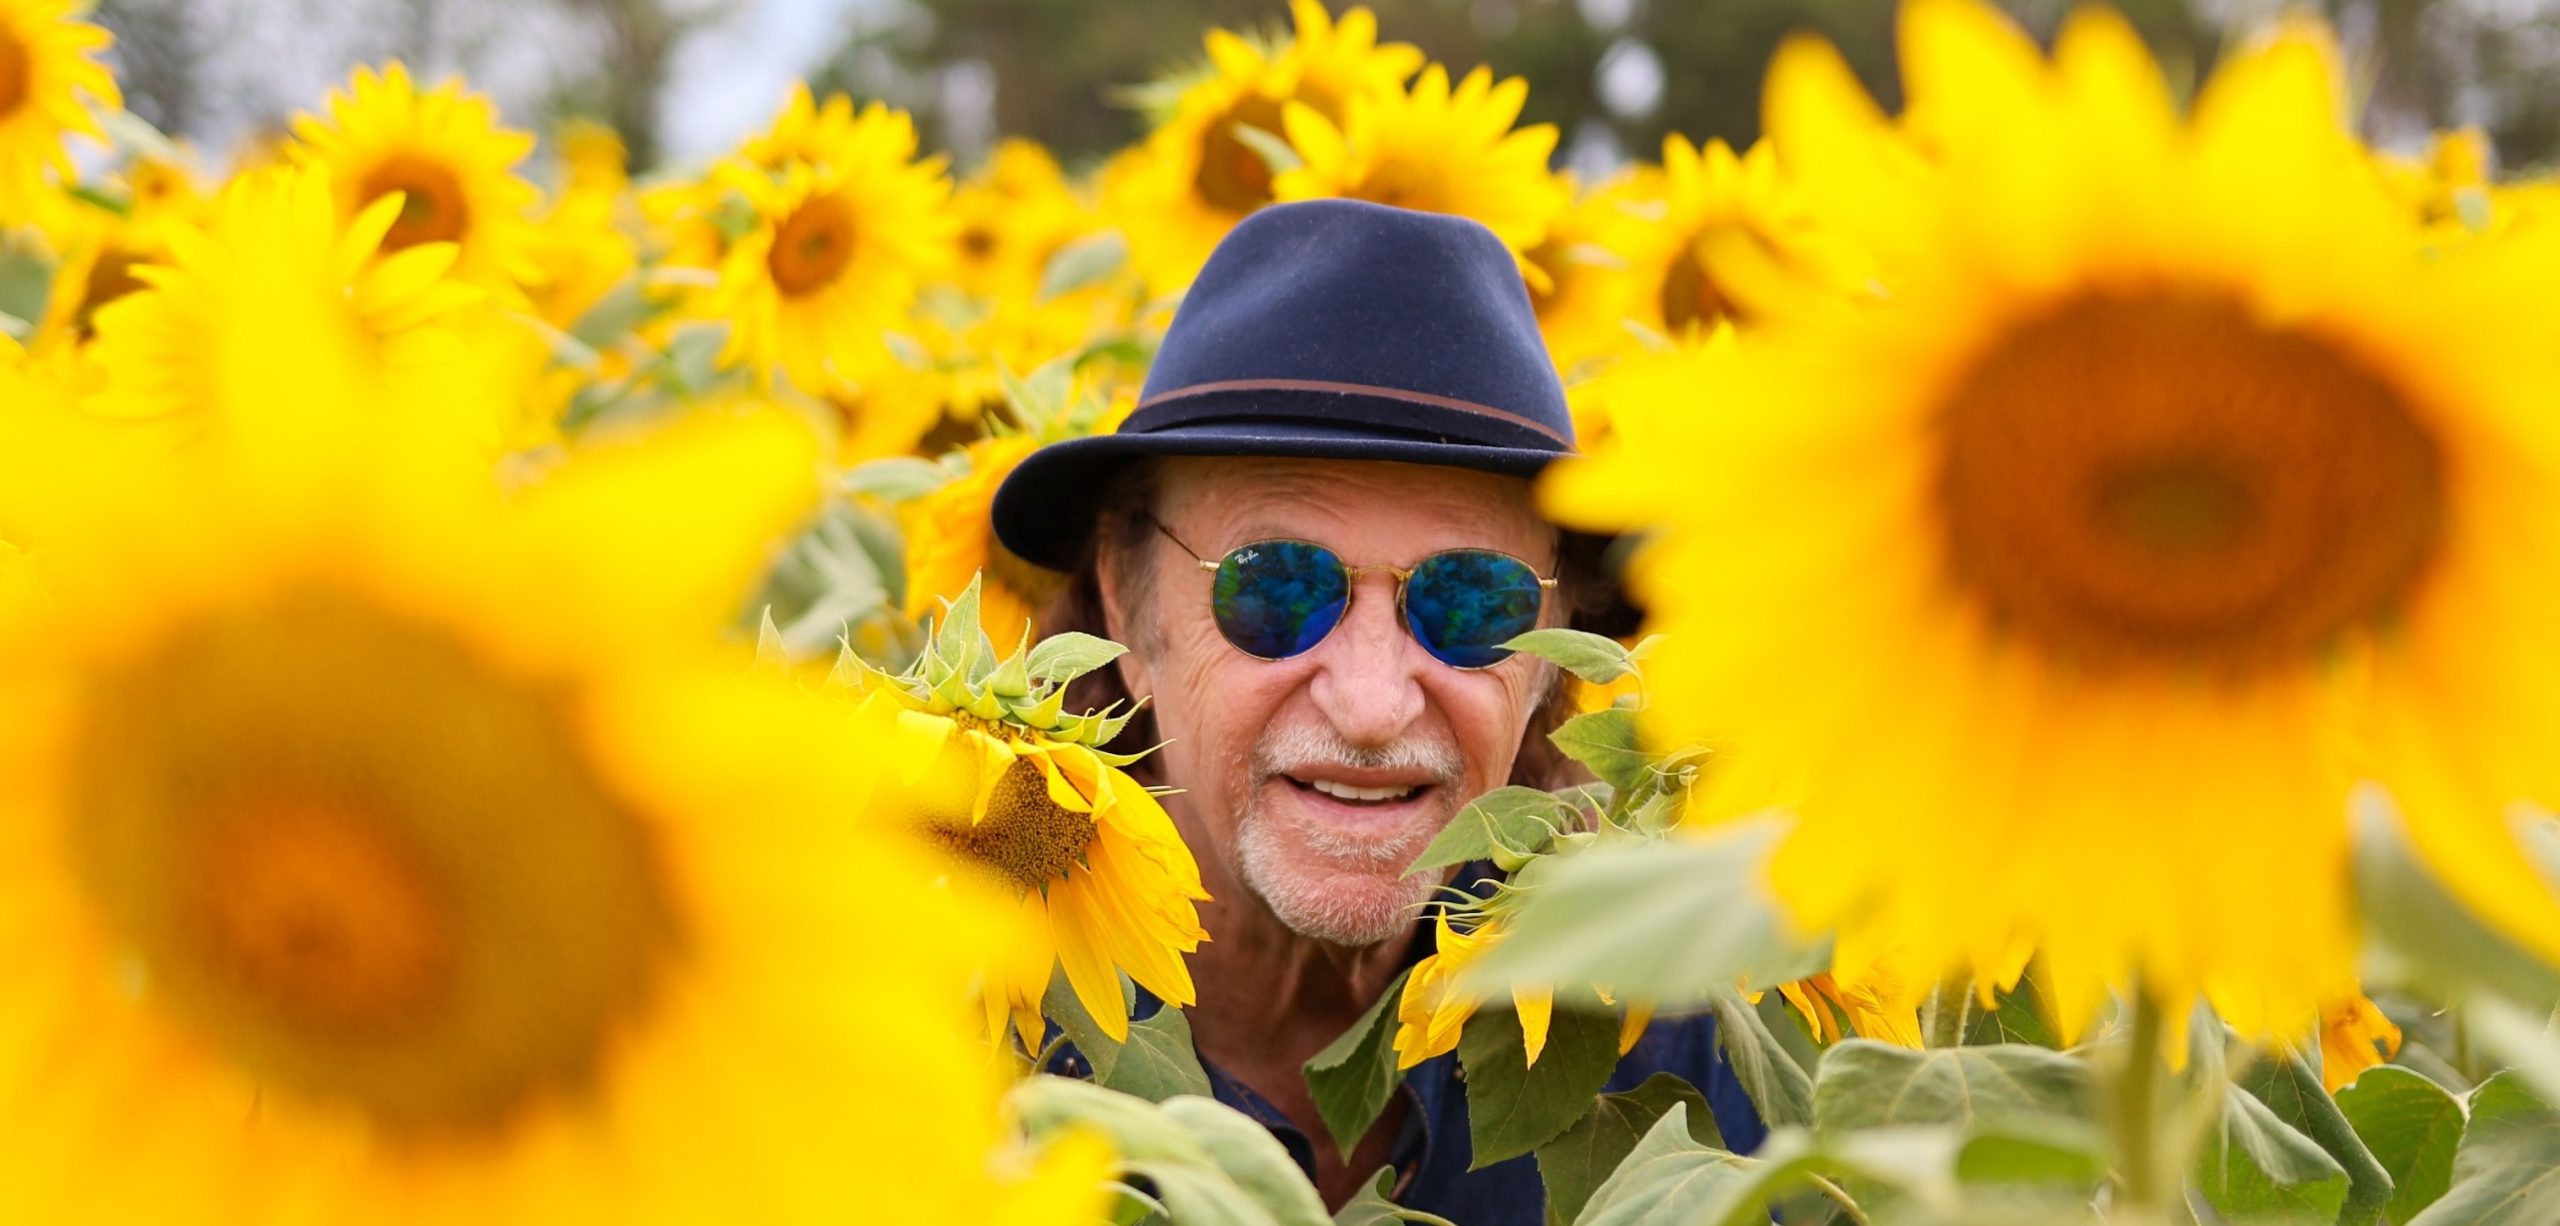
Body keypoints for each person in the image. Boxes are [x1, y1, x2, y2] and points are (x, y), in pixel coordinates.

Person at [990, 198, 1764, 1219]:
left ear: (1549, 657)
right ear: (1130, 613)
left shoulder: (1666, 1043)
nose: (1368, 702)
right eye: (1274, 588)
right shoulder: (962, 1020)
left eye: (1470, 601)